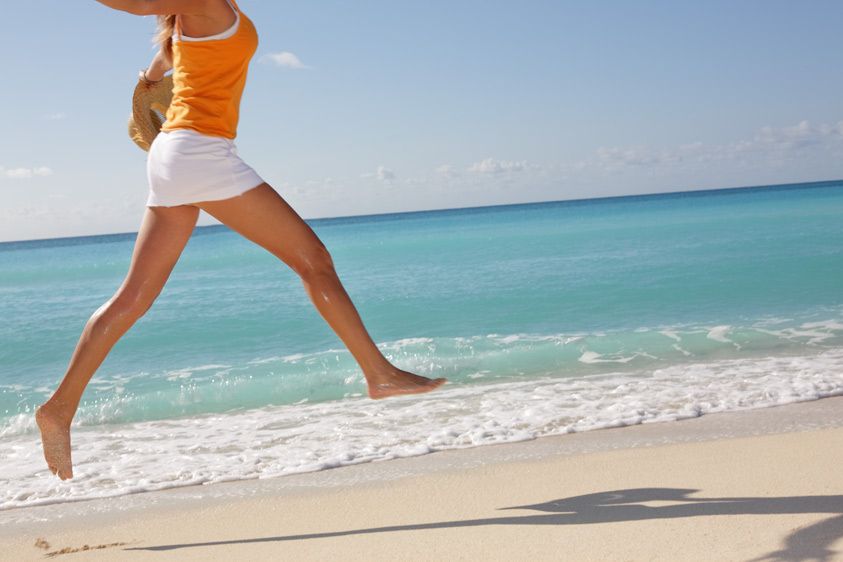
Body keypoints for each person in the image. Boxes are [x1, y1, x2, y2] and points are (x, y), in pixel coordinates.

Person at [35, 0, 447, 481]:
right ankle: (379, 373)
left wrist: (153, 83)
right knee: (314, 261)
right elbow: (141, 8)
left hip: (177, 154)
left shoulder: (195, 18)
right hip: (199, 151)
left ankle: (60, 408)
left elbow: (152, 76)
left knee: (133, 297)